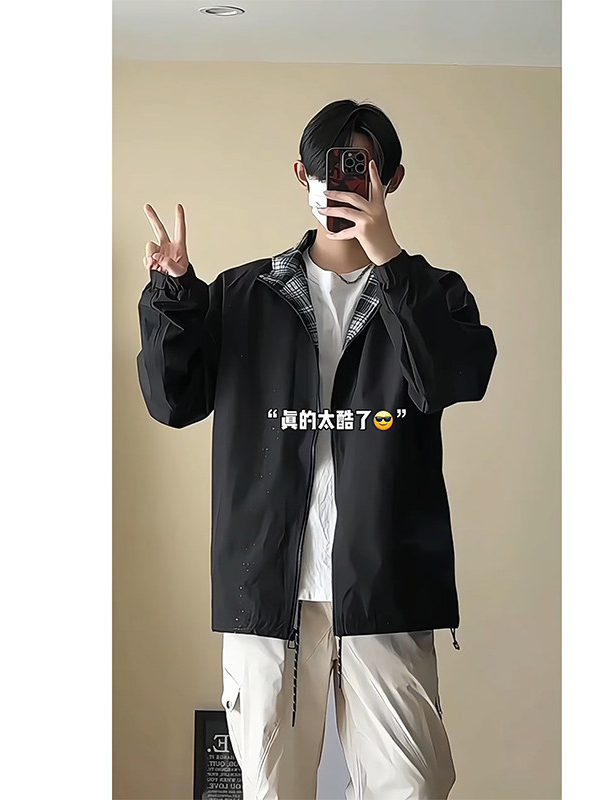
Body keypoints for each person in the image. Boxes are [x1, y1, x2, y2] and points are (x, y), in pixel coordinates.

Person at [136, 99, 497, 799]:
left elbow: (452, 378)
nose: (344, 181)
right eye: (331, 165)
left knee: (410, 787)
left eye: (362, 167)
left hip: (386, 587)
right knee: (272, 790)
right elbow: (173, 400)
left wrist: (389, 259)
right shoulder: (243, 295)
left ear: (391, 179)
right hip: (269, 592)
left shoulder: (430, 294)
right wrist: (174, 296)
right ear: (303, 174)